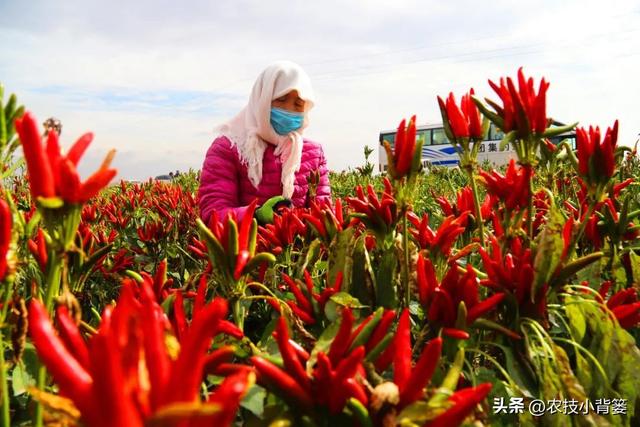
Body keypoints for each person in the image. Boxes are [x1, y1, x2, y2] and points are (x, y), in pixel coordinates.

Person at [198, 61, 331, 225]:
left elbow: (324, 217)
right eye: (281, 99)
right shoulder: (230, 147)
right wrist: (255, 215)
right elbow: (213, 214)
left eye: (298, 104)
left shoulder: (313, 154)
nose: (289, 110)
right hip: (246, 249)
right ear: (262, 99)